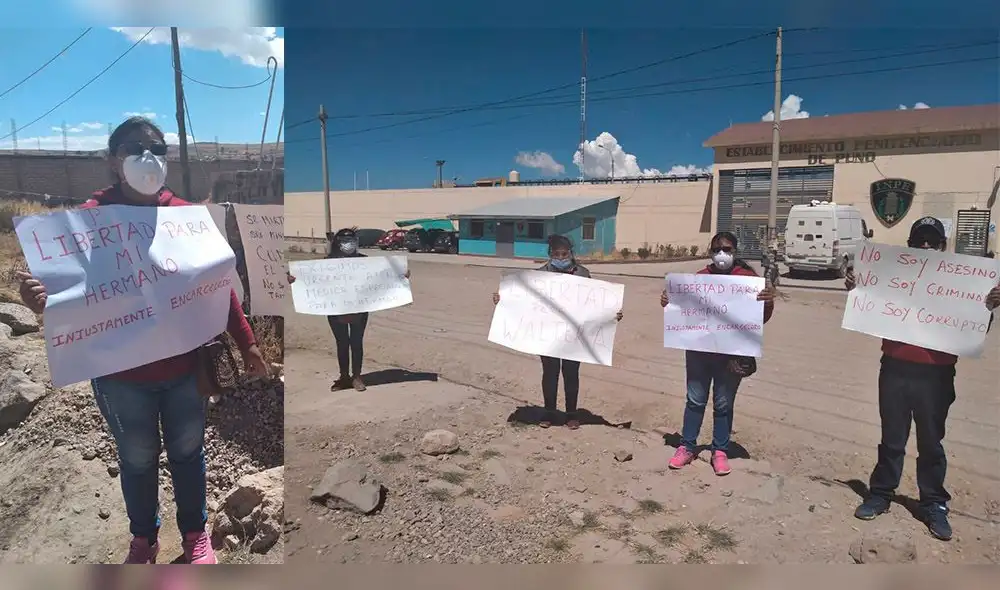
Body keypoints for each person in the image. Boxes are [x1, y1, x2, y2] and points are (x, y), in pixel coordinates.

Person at [16, 116, 267, 565]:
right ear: (113, 161)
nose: (148, 157)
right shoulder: (86, 223)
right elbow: (69, 292)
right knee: (136, 459)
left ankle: (194, 534)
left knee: (189, 452)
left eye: (158, 147)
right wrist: (41, 301)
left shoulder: (184, 217)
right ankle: (143, 540)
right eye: (135, 148)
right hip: (120, 376)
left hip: (184, 371)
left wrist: (246, 340)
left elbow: (216, 284)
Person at [846, 216, 999, 541]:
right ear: (911, 245)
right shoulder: (895, 273)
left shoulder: (961, 282)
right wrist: (858, 286)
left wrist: (987, 308)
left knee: (931, 442)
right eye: (919, 241)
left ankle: (933, 504)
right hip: (895, 369)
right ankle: (881, 493)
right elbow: (869, 305)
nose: (925, 246)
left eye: (932, 241)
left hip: (937, 376)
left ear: (943, 247)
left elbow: (975, 330)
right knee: (892, 438)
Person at [660, 231, 775, 476]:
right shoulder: (699, 278)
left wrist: (767, 301)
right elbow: (681, 311)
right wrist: (669, 302)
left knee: (723, 404)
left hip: (730, 355)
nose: (722, 254)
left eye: (727, 249)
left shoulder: (747, 279)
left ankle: (719, 451)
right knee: (695, 400)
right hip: (699, 353)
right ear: (711, 252)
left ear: (735, 252)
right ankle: (687, 446)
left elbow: (760, 318)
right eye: (717, 249)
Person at [492, 234, 623, 429]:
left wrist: (611, 314)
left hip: (574, 335)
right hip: (548, 334)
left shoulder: (583, 274)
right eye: (556, 254)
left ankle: (571, 414)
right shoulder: (539, 275)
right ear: (549, 255)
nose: (561, 258)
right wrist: (504, 300)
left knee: (571, 373)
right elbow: (526, 301)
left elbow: (593, 302)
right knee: (550, 372)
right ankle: (550, 412)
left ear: (571, 253)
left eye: (564, 254)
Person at [322, 227, 409, 392]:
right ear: (337, 243)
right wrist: (295, 279)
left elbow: (382, 277)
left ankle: (356, 376)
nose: (348, 245)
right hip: (336, 309)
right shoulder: (327, 262)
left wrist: (400, 275)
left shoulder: (365, 262)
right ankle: (343, 376)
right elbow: (314, 281)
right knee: (341, 343)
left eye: (351, 241)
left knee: (356, 342)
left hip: (359, 308)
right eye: (345, 241)